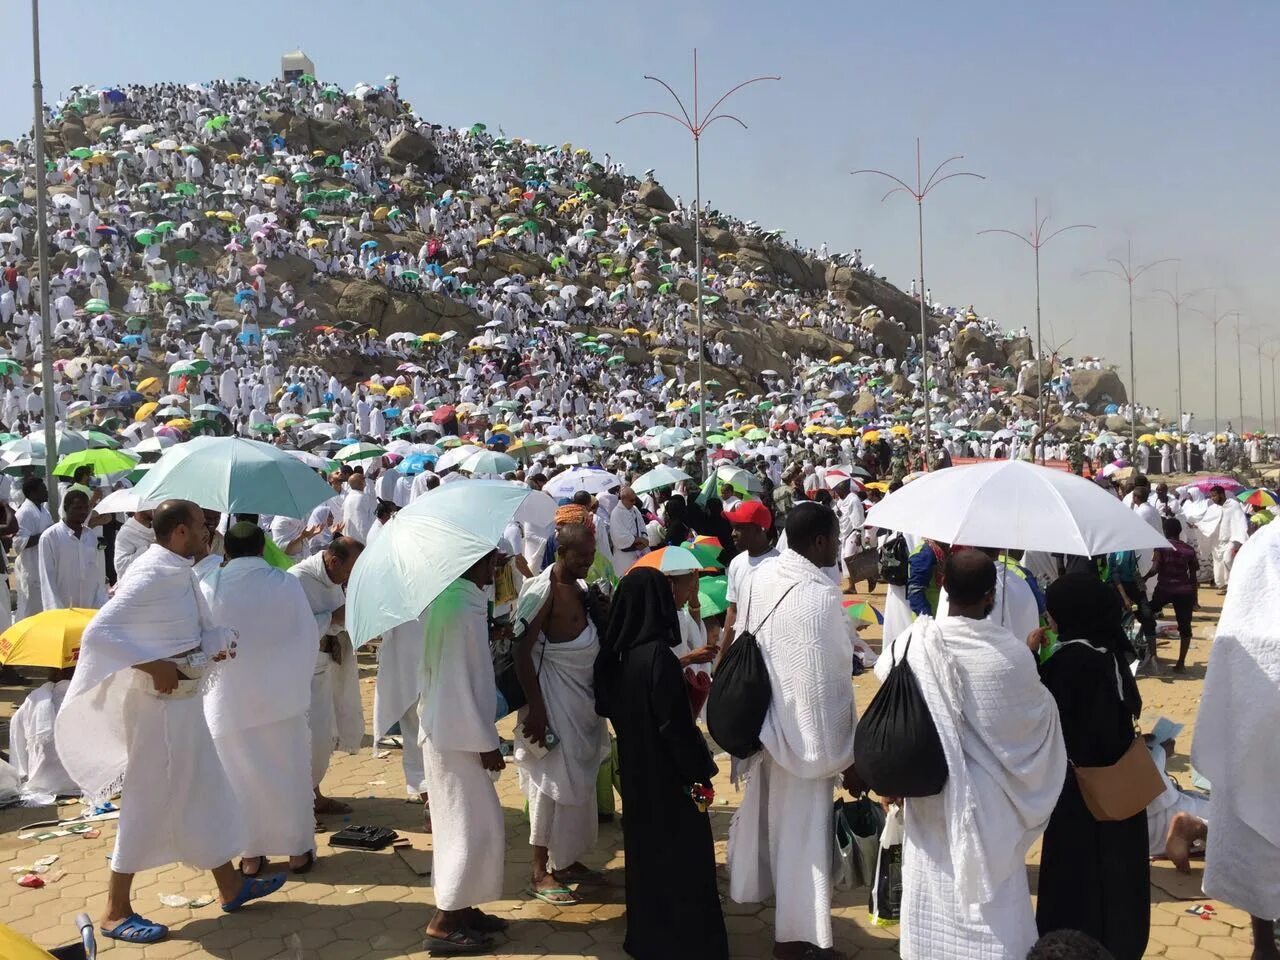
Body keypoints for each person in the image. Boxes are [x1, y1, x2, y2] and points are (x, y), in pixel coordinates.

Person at [54, 500, 285, 945]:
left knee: (202, 790)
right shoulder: (153, 571)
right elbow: (100, 634)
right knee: (147, 802)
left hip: (184, 705)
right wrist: (153, 664)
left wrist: (216, 643)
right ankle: (114, 910)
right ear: (179, 531)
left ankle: (230, 886)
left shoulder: (179, 569)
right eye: (201, 526)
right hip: (158, 711)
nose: (208, 532)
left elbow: (190, 629)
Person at [881, 550, 1065, 960]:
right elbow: (1039, 722)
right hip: (991, 808)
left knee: (931, 889)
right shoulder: (1011, 655)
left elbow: (885, 678)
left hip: (929, 791)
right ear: (990, 597)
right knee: (996, 906)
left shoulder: (914, 642)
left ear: (942, 585)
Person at [727, 502, 859, 960]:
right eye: (837, 541)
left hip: (767, 733)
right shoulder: (820, 598)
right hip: (805, 742)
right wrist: (847, 755)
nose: (839, 550)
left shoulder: (763, 577)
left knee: (785, 840)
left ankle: (794, 938)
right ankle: (798, 942)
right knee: (804, 844)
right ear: (820, 542)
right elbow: (830, 681)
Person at [593, 567, 727, 960]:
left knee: (645, 858)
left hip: (636, 777)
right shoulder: (657, 660)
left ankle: (649, 937)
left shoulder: (617, 659)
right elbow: (676, 731)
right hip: (673, 782)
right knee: (686, 859)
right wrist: (701, 780)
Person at [1035, 574, 1149, 960]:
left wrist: (1032, 661)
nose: (1048, 619)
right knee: (1117, 883)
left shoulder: (1070, 663)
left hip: (1080, 793)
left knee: (1078, 882)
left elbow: (1046, 717)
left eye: (1053, 612)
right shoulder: (1110, 650)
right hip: (1119, 791)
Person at [201, 522, 318, 875]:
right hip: (283, 698)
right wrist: (296, 679)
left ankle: (251, 855)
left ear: (227, 551)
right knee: (291, 774)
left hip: (230, 701)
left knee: (239, 779)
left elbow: (203, 638)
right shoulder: (286, 583)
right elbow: (307, 635)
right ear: (262, 548)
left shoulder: (211, 583)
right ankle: (297, 851)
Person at [1191, 520, 1280, 959]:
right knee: (1257, 828)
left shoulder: (1261, 545)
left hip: (1260, 703)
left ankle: (1264, 942)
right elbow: (1239, 640)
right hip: (1260, 705)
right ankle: (1264, 941)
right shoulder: (1264, 548)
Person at [512, 523, 611, 904]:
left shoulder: (584, 590)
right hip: (551, 700)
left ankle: (566, 861)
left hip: (581, 702)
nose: (588, 562)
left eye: (591, 554)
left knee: (579, 785)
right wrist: (536, 708)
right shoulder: (542, 589)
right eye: (581, 556)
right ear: (561, 553)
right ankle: (539, 872)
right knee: (548, 785)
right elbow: (521, 652)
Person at [418, 548, 510, 954]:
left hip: (455, 732)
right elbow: (456, 685)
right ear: (468, 562)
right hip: (455, 737)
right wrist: (487, 744)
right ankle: (443, 921)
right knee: (467, 830)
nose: (494, 570)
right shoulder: (457, 608)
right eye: (489, 563)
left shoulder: (461, 602)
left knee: (476, 827)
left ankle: (465, 906)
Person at [290, 536, 364, 815]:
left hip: (330, 665)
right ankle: (299, 805)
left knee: (325, 735)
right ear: (333, 561)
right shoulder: (297, 580)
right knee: (308, 738)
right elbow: (292, 627)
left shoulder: (332, 580)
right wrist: (332, 619)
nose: (350, 578)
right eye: (350, 570)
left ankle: (313, 794)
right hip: (305, 672)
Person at [714, 499, 779, 669]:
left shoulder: (780, 565)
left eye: (739, 528)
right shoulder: (736, 563)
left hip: (770, 653)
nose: (733, 534)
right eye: (733, 527)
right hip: (741, 651)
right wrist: (722, 653)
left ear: (760, 530)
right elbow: (733, 610)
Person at [8, 669, 78, 802]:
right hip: (84, 780)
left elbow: (16, 727)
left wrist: (21, 771)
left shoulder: (35, 698)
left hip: (43, 782)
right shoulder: (88, 694)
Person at [37, 486, 109, 610]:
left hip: (89, 607)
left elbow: (96, 573)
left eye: (86, 508)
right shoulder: (50, 537)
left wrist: (100, 603)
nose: (83, 512)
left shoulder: (91, 536)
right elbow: (47, 579)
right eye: (77, 508)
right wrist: (55, 612)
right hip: (62, 609)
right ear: (66, 508)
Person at [1148, 517, 1199, 672]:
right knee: (1185, 627)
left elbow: (1155, 569)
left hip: (1164, 589)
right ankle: (1181, 663)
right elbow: (1193, 578)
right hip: (1184, 591)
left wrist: (1142, 578)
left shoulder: (1161, 547)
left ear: (1164, 531)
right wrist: (1195, 599)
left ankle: (1153, 655)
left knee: (1147, 615)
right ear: (1180, 531)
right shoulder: (1189, 550)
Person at [13, 475, 52, 619]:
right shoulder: (24, 513)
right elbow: (18, 543)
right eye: (43, 489)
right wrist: (46, 535)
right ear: (33, 493)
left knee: (42, 606)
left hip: (42, 563)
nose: (47, 492)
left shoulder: (44, 510)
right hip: (30, 565)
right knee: (28, 606)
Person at [609, 485, 650, 575]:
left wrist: (644, 540)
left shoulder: (635, 509)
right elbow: (618, 536)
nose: (634, 502)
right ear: (623, 499)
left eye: (635, 499)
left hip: (641, 551)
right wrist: (638, 540)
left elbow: (642, 526)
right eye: (631, 500)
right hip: (625, 557)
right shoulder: (616, 513)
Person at [113, 509, 155, 582]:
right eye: (149, 504)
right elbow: (121, 567)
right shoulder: (125, 533)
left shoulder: (156, 531)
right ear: (138, 508)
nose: (154, 507)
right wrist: (149, 548)